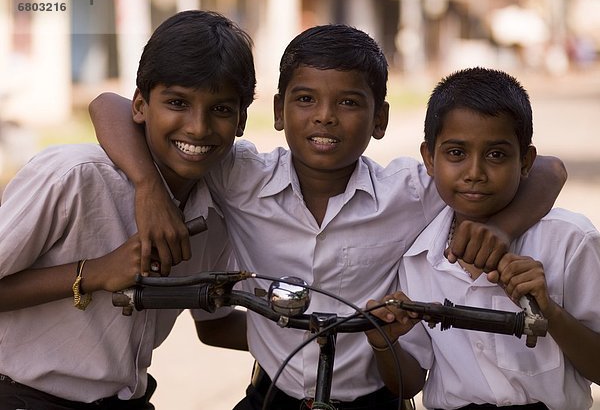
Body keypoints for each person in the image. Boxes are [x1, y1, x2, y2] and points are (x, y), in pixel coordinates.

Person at [88, 26, 566, 409]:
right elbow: (107, 104)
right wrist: (148, 187)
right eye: (305, 99)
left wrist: (502, 228)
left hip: (376, 398)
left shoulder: (410, 191)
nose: (325, 117)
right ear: (278, 111)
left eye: (349, 102)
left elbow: (547, 168)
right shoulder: (239, 176)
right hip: (270, 394)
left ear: (379, 120)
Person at [0, 10, 255, 409]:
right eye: (177, 103)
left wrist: (325, 336)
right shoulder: (75, 178)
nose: (198, 127)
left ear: (241, 120)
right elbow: (104, 102)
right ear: (140, 105)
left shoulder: (218, 204)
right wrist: (96, 272)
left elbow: (214, 325)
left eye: (221, 109)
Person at [366, 67, 600, 410]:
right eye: (456, 153)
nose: (475, 173)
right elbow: (409, 382)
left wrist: (549, 310)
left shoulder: (570, 241)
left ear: (526, 161)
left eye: (496, 155)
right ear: (429, 158)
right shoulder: (418, 256)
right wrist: (383, 342)